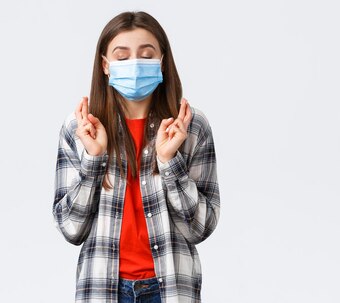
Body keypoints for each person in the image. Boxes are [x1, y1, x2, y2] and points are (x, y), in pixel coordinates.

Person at [52, 11, 220, 303]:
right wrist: (94, 160)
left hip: (170, 289)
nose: (135, 64)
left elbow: (200, 228)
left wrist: (170, 162)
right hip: (103, 287)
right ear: (105, 65)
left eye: (146, 55)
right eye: (122, 56)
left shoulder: (191, 127)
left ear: (162, 62)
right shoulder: (81, 129)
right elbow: (70, 228)